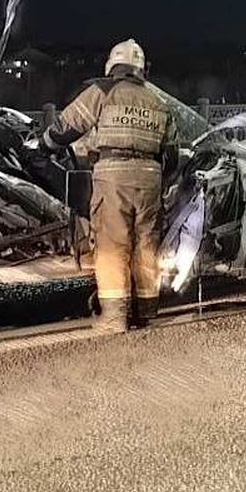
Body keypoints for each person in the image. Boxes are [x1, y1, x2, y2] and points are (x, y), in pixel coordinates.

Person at [35, 39, 178, 334]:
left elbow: (68, 126)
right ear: (141, 70)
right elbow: (172, 154)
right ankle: (146, 310)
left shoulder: (103, 91)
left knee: (113, 244)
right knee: (146, 244)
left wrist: (43, 145)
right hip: (150, 178)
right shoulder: (158, 102)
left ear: (113, 66)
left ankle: (114, 317)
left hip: (113, 178)